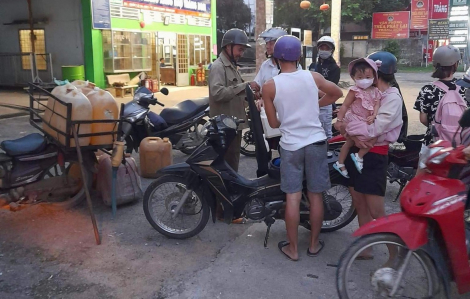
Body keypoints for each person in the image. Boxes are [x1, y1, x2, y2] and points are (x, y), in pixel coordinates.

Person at [262, 35, 343, 261]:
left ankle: (293, 249)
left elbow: (274, 123)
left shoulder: (270, 86)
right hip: (316, 142)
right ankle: (314, 245)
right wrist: (313, 106)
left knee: (293, 198)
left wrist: (288, 117)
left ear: (276, 57)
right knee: (316, 196)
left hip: (291, 147)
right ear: (298, 56)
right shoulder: (313, 77)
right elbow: (337, 93)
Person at [335, 51, 403, 260]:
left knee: (376, 210)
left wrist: (347, 129)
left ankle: (395, 253)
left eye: (365, 73)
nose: (361, 78)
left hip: (373, 156)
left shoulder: (391, 97)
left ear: (376, 73)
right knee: (359, 203)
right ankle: (365, 248)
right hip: (356, 152)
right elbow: (341, 121)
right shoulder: (363, 93)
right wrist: (344, 126)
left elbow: (375, 130)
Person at [208, 28, 260, 172]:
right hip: (224, 128)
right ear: (228, 47)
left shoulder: (231, 66)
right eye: (239, 49)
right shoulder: (219, 67)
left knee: (232, 164)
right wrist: (244, 85)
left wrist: (251, 96)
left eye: (243, 50)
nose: (241, 54)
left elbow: (235, 92)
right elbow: (217, 93)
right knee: (227, 166)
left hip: (233, 126)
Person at [414, 45, 467, 173]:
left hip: (433, 144)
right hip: (459, 147)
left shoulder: (428, 89)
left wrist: (437, 125)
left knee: (423, 181)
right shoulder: (465, 89)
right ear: (455, 65)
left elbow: (423, 119)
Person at [333, 58, 382, 178]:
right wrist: (339, 120)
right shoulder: (354, 91)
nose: (364, 80)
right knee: (366, 137)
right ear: (353, 77)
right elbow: (345, 105)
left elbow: (377, 104)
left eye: (367, 76)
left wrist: (374, 115)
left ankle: (343, 162)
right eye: (360, 77)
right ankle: (354, 158)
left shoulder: (376, 91)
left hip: (366, 120)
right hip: (354, 119)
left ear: (374, 76)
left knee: (364, 139)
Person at [253, 27, 301, 109]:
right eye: (266, 43)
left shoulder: (294, 66)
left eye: (271, 43)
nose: (267, 46)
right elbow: (257, 87)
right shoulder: (265, 65)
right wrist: (260, 98)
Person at [314, 36, 341, 141]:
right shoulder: (313, 65)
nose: (324, 50)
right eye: (322, 48)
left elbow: (331, 91)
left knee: (325, 133)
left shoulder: (334, 68)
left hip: (326, 104)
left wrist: (314, 89)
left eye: (327, 48)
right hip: (312, 103)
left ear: (332, 50)